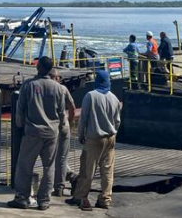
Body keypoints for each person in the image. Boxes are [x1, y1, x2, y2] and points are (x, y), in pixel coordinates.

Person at [8, 56, 66, 211]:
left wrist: (19, 126)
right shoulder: (58, 88)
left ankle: (22, 197)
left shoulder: (29, 85)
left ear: (39, 67)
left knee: (24, 165)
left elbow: (20, 109)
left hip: (33, 131)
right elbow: (62, 112)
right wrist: (61, 128)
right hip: (52, 132)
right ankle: (44, 200)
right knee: (49, 167)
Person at [66, 71, 122, 211]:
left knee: (87, 169)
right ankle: (105, 199)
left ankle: (80, 197)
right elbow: (117, 121)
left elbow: (83, 118)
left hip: (94, 137)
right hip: (110, 138)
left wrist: (80, 135)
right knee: (108, 170)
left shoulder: (90, 96)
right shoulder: (114, 98)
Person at [50, 69, 76, 197]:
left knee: (52, 157)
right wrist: (69, 122)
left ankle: (61, 185)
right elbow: (72, 107)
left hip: (50, 126)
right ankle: (69, 178)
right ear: (56, 78)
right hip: (63, 125)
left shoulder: (46, 88)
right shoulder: (63, 89)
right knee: (61, 157)